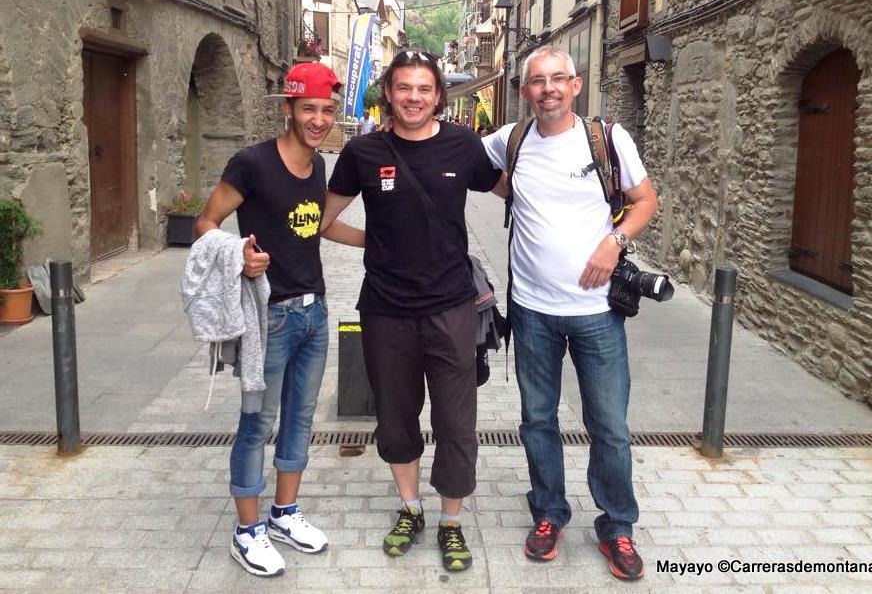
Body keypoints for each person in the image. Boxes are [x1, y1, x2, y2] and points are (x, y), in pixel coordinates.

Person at [321, 49, 504, 572]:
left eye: (424, 88)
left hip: (451, 307)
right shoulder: (363, 152)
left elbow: (515, 190)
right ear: (389, 93)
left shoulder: (463, 145)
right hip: (386, 309)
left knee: (456, 421)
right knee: (396, 417)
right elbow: (323, 221)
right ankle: (410, 508)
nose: (414, 97)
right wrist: (374, 241)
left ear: (439, 95)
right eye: (404, 87)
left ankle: (451, 519)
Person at [482, 45, 658, 581]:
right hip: (531, 310)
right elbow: (463, 161)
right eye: (538, 81)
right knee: (537, 419)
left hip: (596, 312)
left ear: (576, 85)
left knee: (609, 425)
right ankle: (549, 513)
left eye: (558, 79)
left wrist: (614, 243)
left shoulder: (607, 139)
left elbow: (645, 200)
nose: (548, 89)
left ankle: (617, 525)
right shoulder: (509, 140)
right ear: (524, 90)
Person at [195, 62, 364, 578]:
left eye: (327, 110)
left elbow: (317, 227)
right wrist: (238, 256)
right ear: (288, 108)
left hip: (314, 312)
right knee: (257, 423)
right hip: (268, 317)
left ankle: (284, 513)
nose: (319, 120)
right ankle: (246, 531)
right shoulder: (251, 163)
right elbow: (205, 222)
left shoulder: (318, 167)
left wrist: (376, 242)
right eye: (308, 109)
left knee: (300, 419)